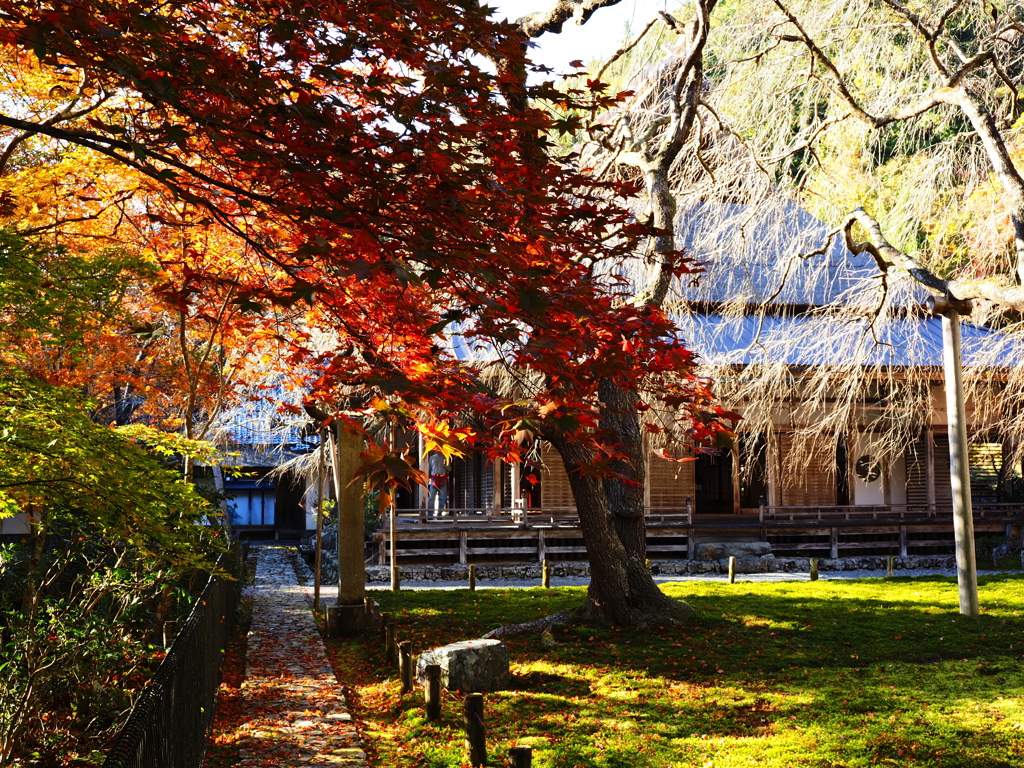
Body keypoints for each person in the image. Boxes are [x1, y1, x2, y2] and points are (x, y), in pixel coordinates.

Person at [427, 450, 450, 516]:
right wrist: (428, 479)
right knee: (431, 497)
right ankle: (430, 514)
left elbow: (449, 469)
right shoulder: (432, 458)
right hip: (434, 479)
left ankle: (439, 513)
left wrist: (445, 465)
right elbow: (429, 469)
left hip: (443, 478)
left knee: (443, 497)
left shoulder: (446, 457)